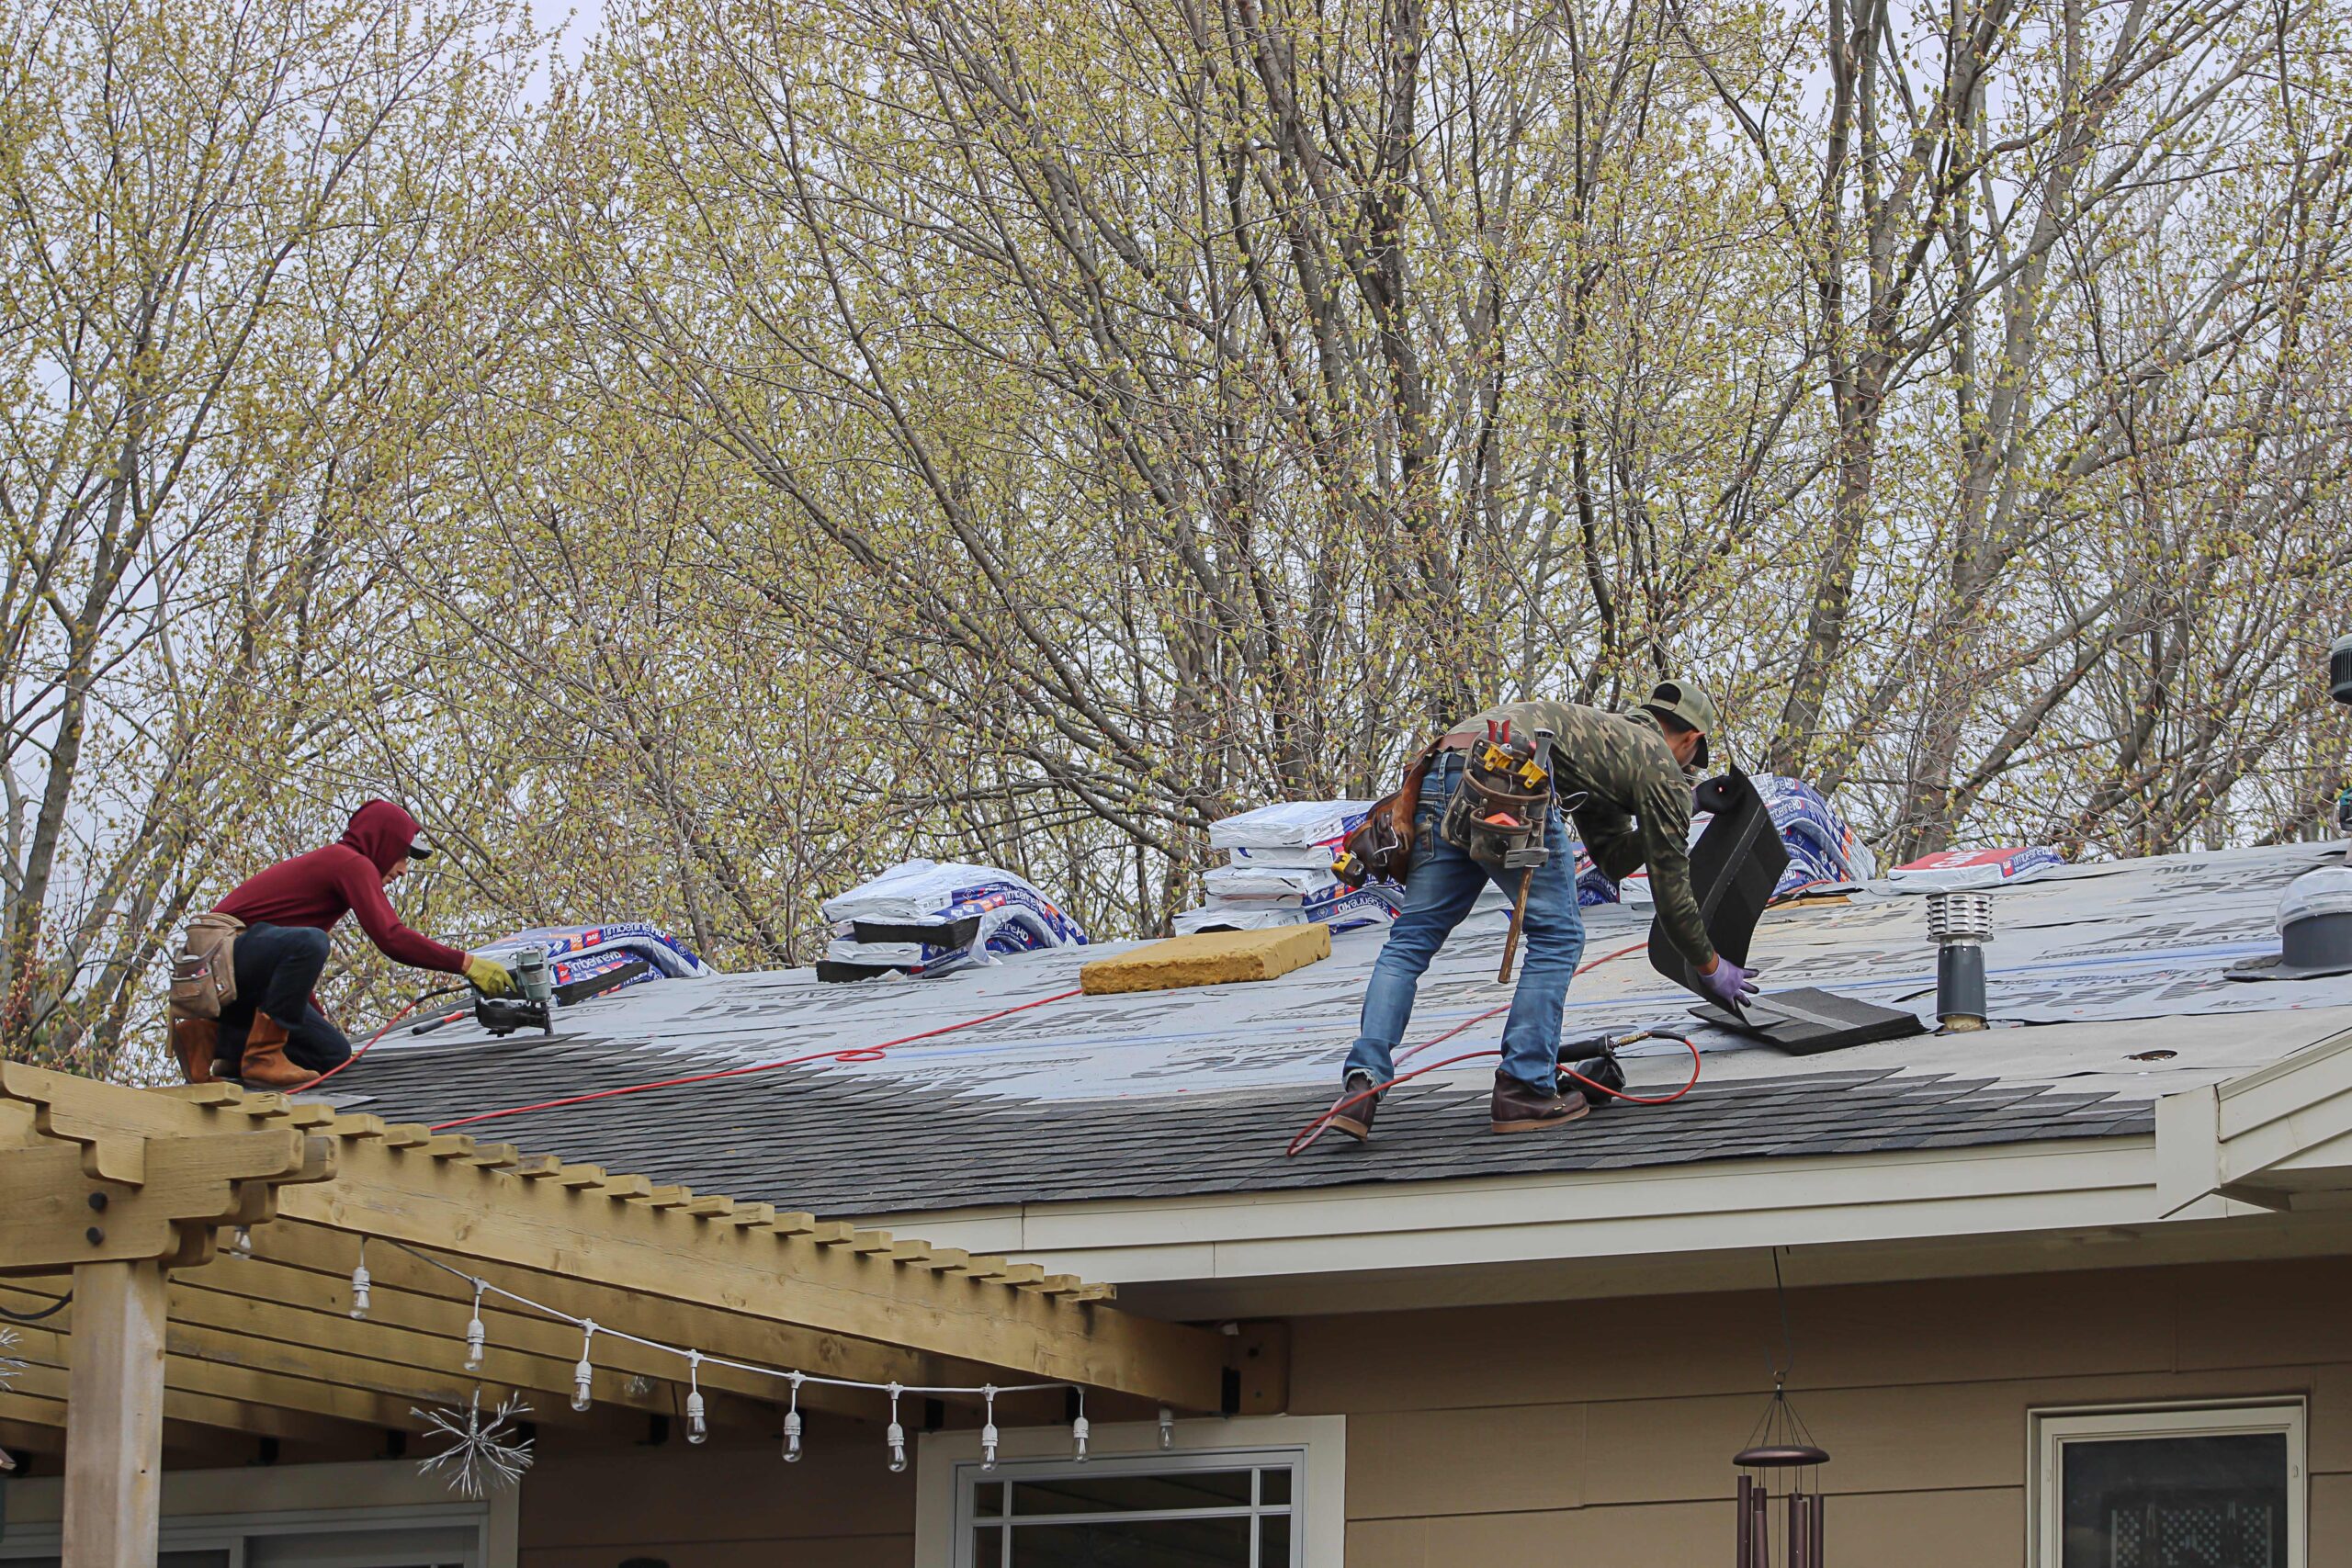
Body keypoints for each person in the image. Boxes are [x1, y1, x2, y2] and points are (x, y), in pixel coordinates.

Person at [1332, 679, 1759, 1139]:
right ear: (1692, 738)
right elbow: (1671, 893)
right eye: (1689, 766)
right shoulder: (1658, 762)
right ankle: (1524, 1086)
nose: (1686, 774)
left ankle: (1362, 1084)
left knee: (1411, 941)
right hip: (1509, 773)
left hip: (1442, 769)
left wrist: (1690, 804)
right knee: (1559, 936)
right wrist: (1711, 967)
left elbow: (1614, 859)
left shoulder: (1605, 742)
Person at [169, 800, 514, 1089]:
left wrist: (311, 1022)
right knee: (312, 942)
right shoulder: (350, 862)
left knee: (332, 1054)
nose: (403, 870)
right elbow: (391, 937)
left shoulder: (338, 869)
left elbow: (288, 974)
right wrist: (467, 963)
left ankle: (214, 1042)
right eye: (402, 855)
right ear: (381, 843)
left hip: (240, 976)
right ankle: (261, 1057)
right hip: (222, 962)